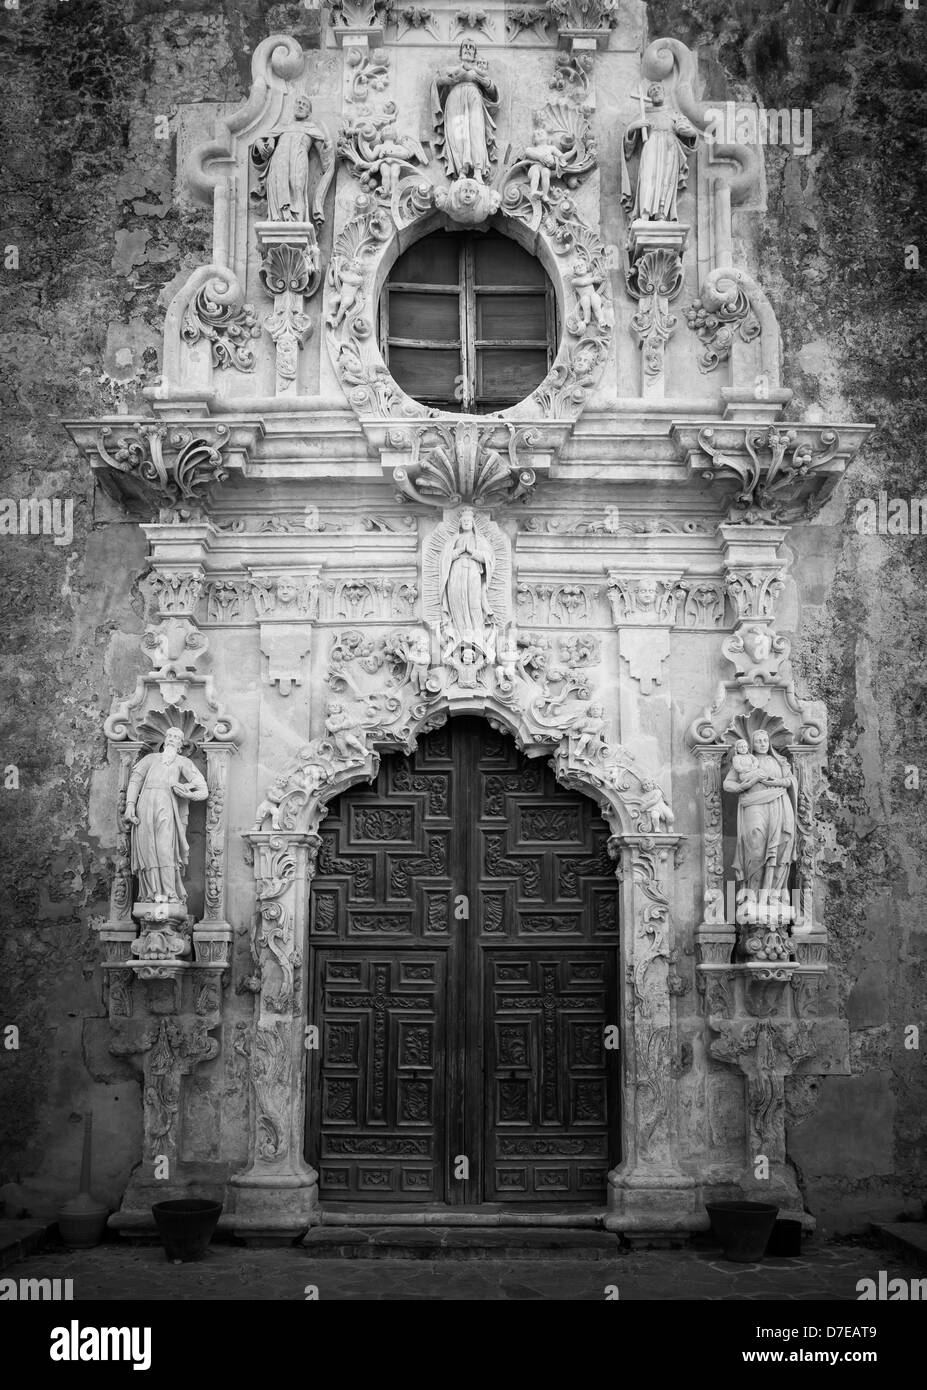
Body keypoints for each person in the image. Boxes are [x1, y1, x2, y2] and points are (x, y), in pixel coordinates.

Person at [124, 727, 208, 902]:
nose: (171, 739)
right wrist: (130, 805)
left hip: (167, 806)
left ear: (181, 744)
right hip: (145, 805)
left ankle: (170, 893)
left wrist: (187, 792)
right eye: (169, 735)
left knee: (164, 848)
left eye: (176, 737)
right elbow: (135, 780)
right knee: (147, 848)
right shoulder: (150, 759)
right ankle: (150, 894)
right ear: (164, 739)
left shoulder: (183, 762)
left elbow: (203, 789)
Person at [723, 729, 796, 896]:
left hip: (779, 804)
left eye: (765, 740)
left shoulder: (779, 761)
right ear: (751, 744)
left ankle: (772, 894)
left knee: (780, 847)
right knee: (755, 842)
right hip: (754, 804)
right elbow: (728, 784)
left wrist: (775, 782)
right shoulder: (746, 761)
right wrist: (742, 787)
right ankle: (752, 893)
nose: (763, 744)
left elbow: (791, 781)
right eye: (758, 741)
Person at [621, 84, 698, 222]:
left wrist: (691, 133)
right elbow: (628, 143)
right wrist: (634, 127)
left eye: (659, 89)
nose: (656, 91)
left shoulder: (674, 114)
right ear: (649, 97)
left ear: (664, 93)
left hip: (670, 148)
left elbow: (691, 134)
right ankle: (644, 213)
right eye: (652, 90)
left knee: (666, 181)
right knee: (647, 177)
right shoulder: (644, 113)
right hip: (651, 146)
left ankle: (661, 214)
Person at [432, 40, 499, 182]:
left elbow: (493, 92)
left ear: (475, 54)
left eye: (471, 48)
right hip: (455, 98)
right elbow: (437, 83)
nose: (468, 49)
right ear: (460, 51)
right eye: (465, 47)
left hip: (474, 97)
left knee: (476, 131)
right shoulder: (451, 69)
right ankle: (461, 171)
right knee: (458, 133)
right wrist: (453, 79)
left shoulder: (478, 71)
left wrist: (481, 80)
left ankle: (478, 171)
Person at [439, 508, 495, 644]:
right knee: (457, 600)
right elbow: (444, 558)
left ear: (472, 523)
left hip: (473, 571)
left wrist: (472, 552)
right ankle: (459, 635)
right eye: (463, 521)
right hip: (456, 572)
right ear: (460, 523)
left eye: (468, 520)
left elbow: (488, 558)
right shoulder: (454, 539)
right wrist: (457, 552)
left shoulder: (479, 539)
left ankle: (477, 635)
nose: (466, 523)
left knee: (474, 601)